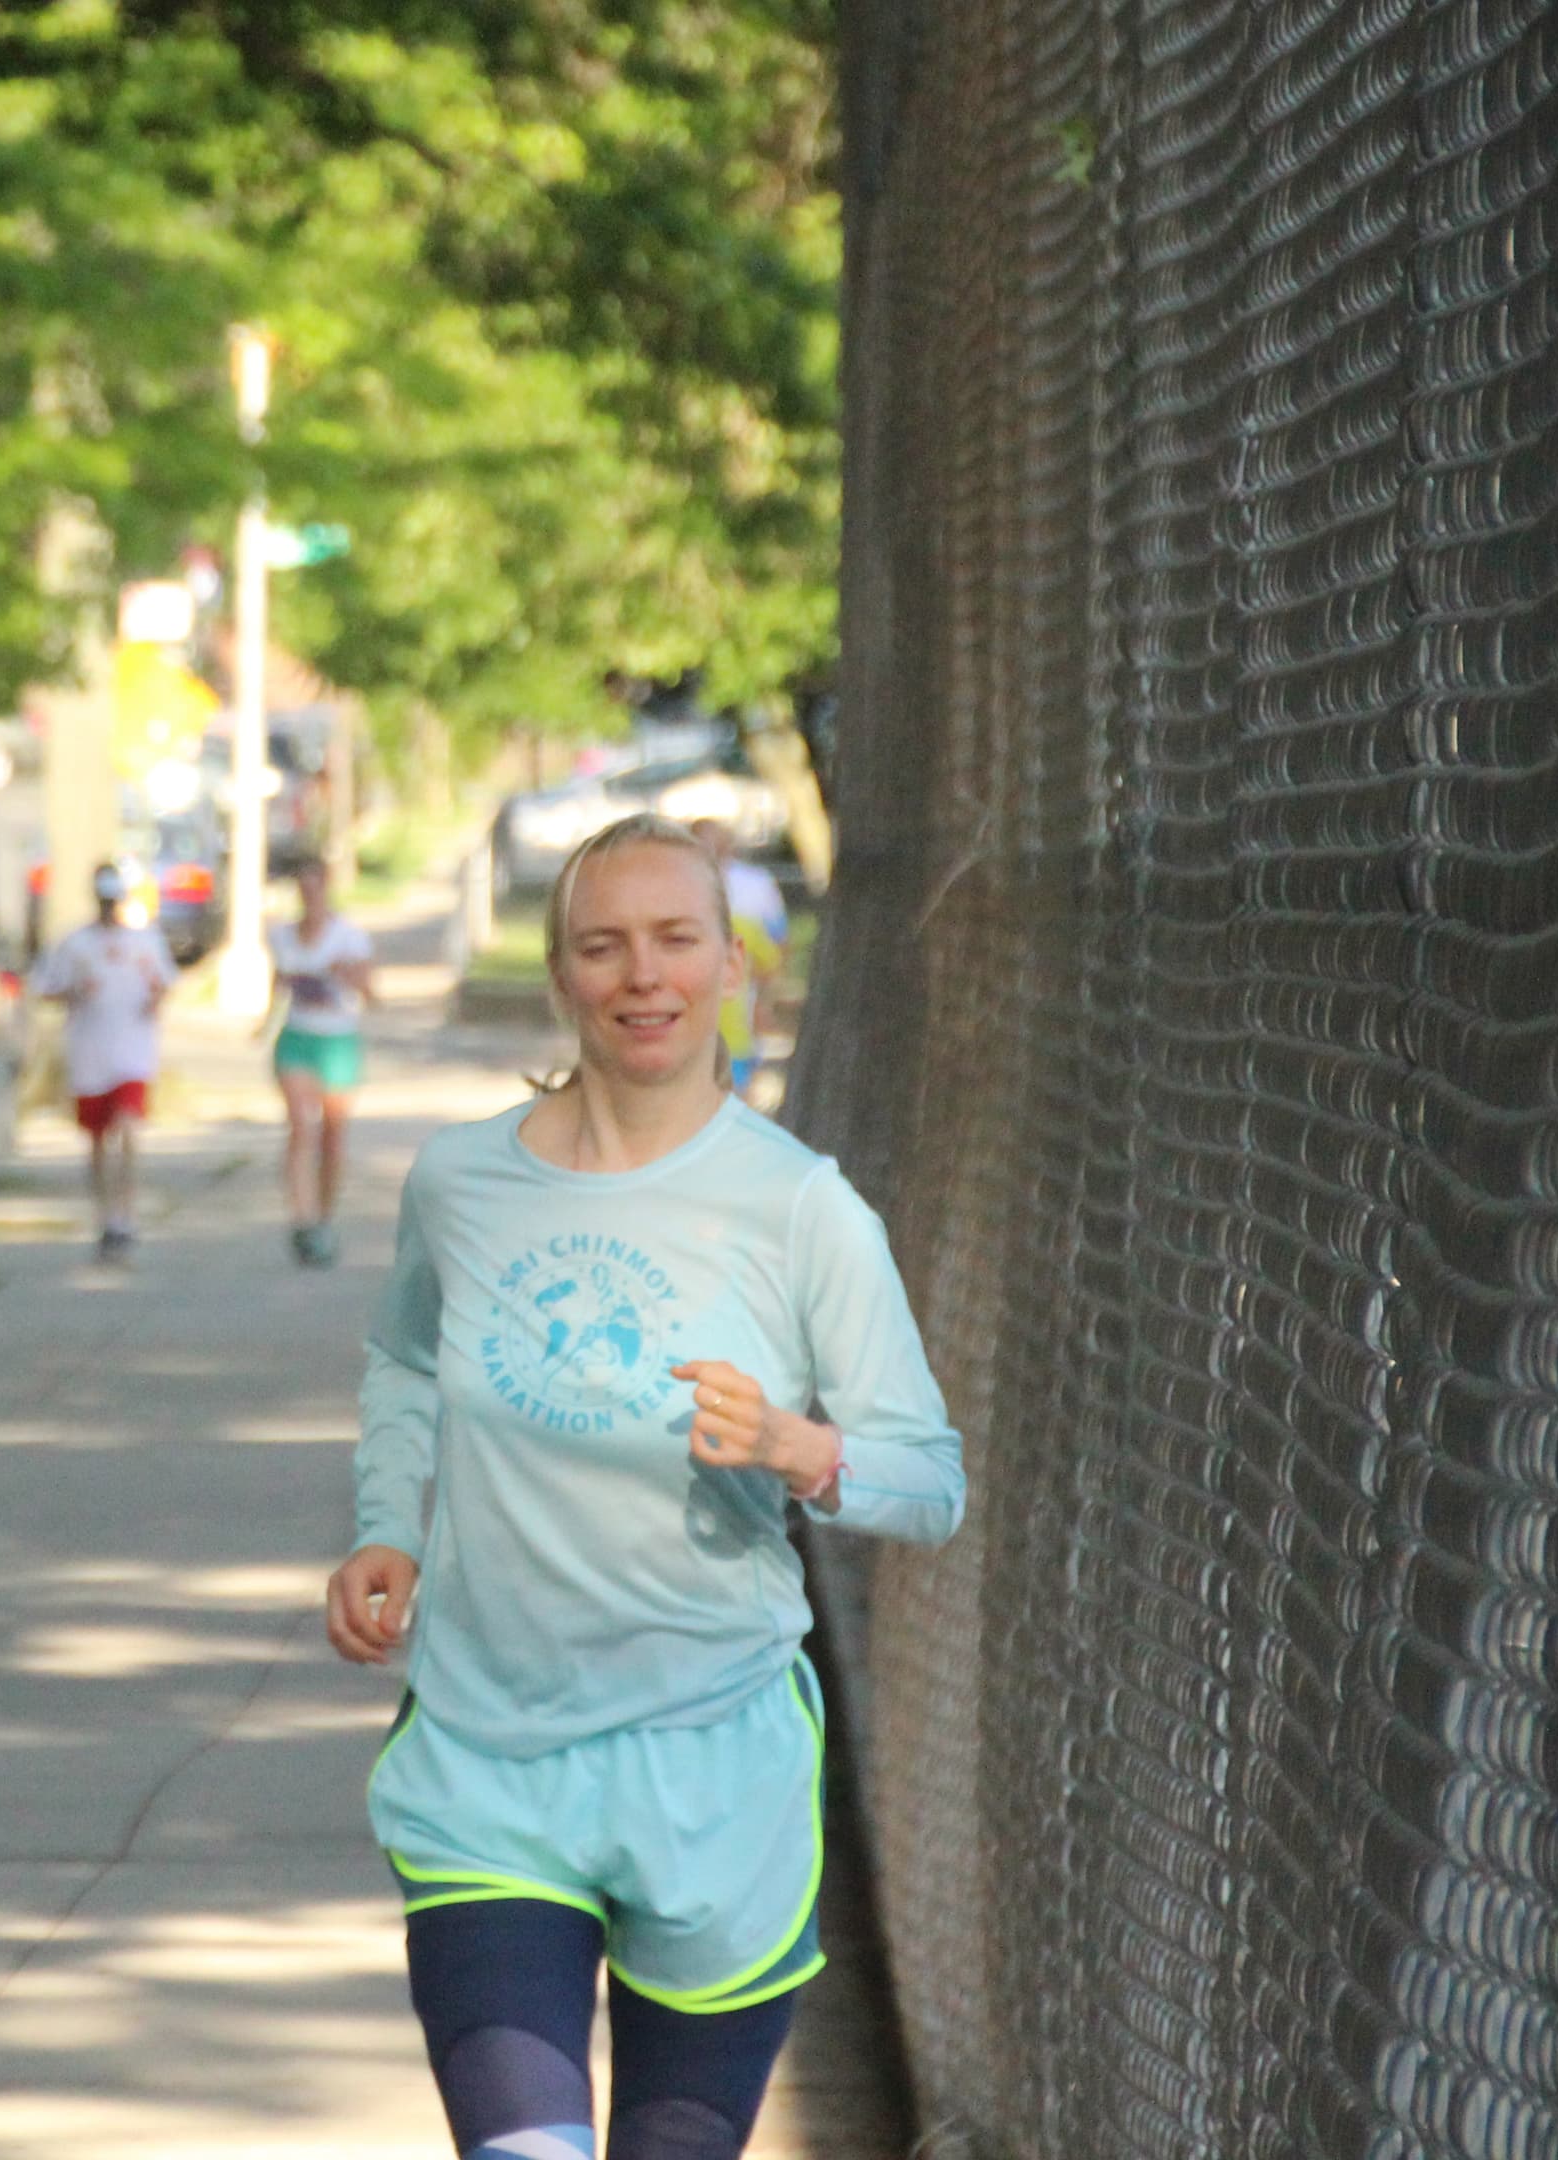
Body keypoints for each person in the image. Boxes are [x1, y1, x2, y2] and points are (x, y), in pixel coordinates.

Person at [324, 811, 961, 2160]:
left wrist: (801, 1448)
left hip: (713, 1767)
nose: (642, 975)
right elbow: (401, 1358)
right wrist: (391, 1526)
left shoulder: (802, 1209)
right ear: (562, 977)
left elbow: (930, 1481)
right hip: (493, 1761)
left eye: (676, 940)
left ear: (734, 965)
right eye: (603, 946)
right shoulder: (462, 1182)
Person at [32, 862, 175, 1262]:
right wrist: (76, 991)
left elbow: (166, 983)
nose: (110, 908)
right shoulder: (76, 945)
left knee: (128, 1128)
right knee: (97, 1140)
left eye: (115, 900)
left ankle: (126, 1217)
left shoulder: (145, 942)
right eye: (104, 900)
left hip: (133, 1051)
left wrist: (155, 999)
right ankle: (105, 1218)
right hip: (90, 1052)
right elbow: (45, 987)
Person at [267, 854, 376, 1268]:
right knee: (300, 1126)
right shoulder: (282, 936)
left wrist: (349, 976)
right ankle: (303, 1218)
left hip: (338, 1041)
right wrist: (264, 1021)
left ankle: (324, 1217)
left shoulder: (349, 937)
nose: (310, 895)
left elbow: (371, 994)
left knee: (333, 1136)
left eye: (316, 887)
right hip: (296, 1038)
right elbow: (276, 984)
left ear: (326, 888)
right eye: (303, 887)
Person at [685, 819, 788, 1098]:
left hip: (728, 1030)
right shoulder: (747, 906)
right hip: (707, 1033)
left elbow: (775, 952)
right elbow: (774, 955)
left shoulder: (753, 891)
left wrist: (761, 1002)